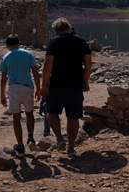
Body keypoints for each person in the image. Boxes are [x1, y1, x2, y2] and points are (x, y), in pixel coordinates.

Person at [41, 17, 92, 158]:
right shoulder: (82, 42)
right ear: (69, 28)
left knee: (51, 112)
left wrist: (43, 86)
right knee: (73, 116)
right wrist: (85, 81)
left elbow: (47, 66)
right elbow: (88, 64)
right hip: (75, 85)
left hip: (56, 84)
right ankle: (71, 146)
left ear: (56, 30)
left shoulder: (54, 43)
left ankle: (59, 138)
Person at [0, 34, 41, 158]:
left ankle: (20, 146)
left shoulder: (6, 56)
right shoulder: (28, 54)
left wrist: (2, 94)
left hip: (13, 88)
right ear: (19, 43)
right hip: (27, 86)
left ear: (7, 45)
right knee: (29, 113)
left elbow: (3, 78)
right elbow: (35, 72)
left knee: (16, 117)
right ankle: (31, 137)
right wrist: (38, 89)